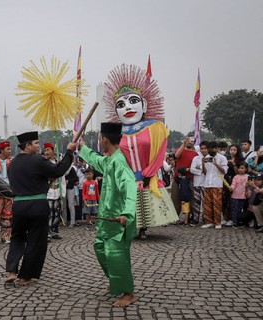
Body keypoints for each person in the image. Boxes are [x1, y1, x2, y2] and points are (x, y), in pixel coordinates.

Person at [102, 63, 178, 240]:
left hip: (146, 173)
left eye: (133, 101)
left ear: (143, 105)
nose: (127, 107)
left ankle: (142, 229)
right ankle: (130, 228)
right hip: (125, 176)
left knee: (144, 205)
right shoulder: (116, 133)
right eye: (121, 104)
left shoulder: (155, 127)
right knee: (127, 203)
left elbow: (159, 152)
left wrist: (149, 173)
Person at [78, 122, 137, 308]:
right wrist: (82, 148)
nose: (99, 141)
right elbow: (99, 161)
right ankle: (115, 278)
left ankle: (128, 292)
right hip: (106, 218)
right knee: (100, 248)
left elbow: (129, 186)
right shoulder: (111, 159)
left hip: (118, 218)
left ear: (105, 139)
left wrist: (127, 213)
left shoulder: (119, 161)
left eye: (100, 138)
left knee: (117, 254)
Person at [5, 131, 76, 285]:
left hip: (18, 205)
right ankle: (25, 277)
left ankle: (11, 270)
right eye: (36, 143)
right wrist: (69, 152)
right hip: (37, 205)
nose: (39, 146)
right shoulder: (38, 160)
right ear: (28, 145)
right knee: (35, 240)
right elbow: (57, 171)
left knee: (17, 237)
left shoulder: (13, 163)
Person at [201, 141, 228, 229]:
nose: (210, 150)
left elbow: (224, 171)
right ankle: (209, 221)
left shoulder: (222, 158)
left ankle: (218, 222)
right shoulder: (207, 157)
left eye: (212, 149)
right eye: (209, 149)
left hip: (217, 183)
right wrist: (203, 163)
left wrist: (216, 164)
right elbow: (205, 172)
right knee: (207, 204)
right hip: (207, 183)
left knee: (217, 203)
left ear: (216, 149)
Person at [43, 142, 65, 240]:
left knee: (57, 212)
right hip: (48, 192)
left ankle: (54, 231)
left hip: (57, 192)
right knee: (48, 214)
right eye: (45, 150)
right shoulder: (44, 163)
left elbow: (63, 179)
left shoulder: (58, 162)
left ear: (53, 151)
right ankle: (47, 232)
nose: (46, 152)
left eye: (48, 150)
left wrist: (62, 192)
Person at [190, 141, 209, 225]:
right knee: (196, 202)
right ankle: (195, 218)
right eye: (202, 148)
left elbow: (209, 170)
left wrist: (199, 167)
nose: (203, 150)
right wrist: (202, 169)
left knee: (206, 202)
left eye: (205, 148)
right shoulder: (196, 158)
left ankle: (205, 218)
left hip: (206, 183)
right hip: (197, 183)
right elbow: (192, 169)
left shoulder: (210, 158)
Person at [229, 162, 249, 227]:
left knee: (242, 210)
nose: (240, 170)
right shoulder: (236, 177)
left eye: (242, 168)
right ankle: (235, 222)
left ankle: (242, 222)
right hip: (235, 196)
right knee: (235, 210)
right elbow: (233, 185)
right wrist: (231, 188)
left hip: (244, 196)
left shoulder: (248, 177)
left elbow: (250, 186)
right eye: (239, 168)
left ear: (246, 169)